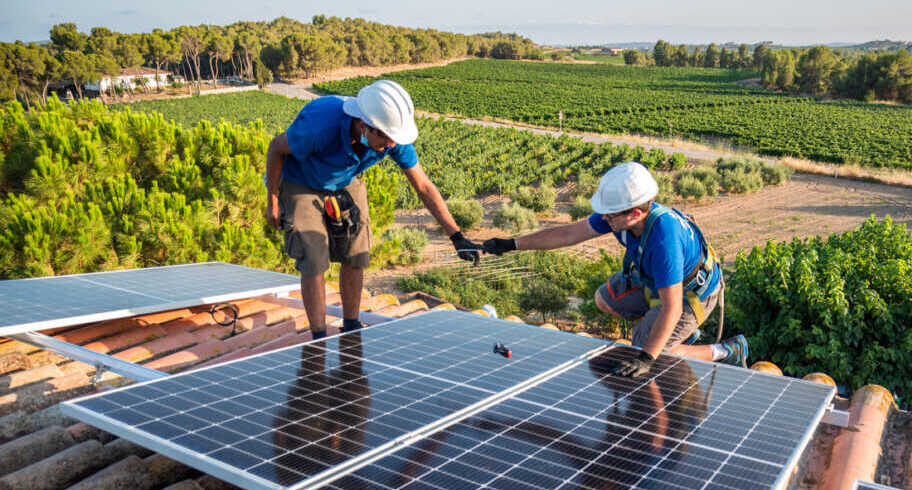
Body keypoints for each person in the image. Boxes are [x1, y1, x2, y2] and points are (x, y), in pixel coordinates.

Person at [481, 162, 749, 378]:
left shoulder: (664, 241)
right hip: (653, 281)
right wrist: (512, 244)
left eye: (610, 215)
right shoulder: (621, 216)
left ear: (634, 213)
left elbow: (673, 307)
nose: (604, 219)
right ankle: (662, 332)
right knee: (603, 299)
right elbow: (568, 233)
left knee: (650, 350)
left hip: (690, 295)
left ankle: (724, 350)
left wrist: (646, 357)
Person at [264, 79, 480, 338]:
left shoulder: (392, 136)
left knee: (357, 251)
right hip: (300, 180)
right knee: (313, 257)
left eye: (394, 140)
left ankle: (351, 326)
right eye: (386, 139)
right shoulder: (321, 123)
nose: (391, 146)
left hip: (344, 180)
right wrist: (273, 201)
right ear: (365, 125)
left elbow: (423, 186)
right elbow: (276, 148)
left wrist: (456, 236)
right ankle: (319, 337)